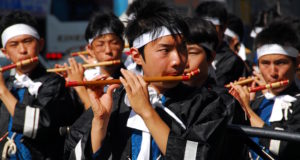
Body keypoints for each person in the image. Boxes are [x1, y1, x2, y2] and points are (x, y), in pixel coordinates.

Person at [65, 0, 227, 159]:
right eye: (165, 50)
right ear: (136, 56)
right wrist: (100, 121)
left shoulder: (206, 103)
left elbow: (197, 156)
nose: (178, 60)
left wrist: (147, 112)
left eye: (182, 47)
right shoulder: (116, 99)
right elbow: (71, 153)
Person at [0, 11, 82, 159]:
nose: (22, 50)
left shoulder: (54, 83)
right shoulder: (7, 86)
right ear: (5, 52)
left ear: (41, 44)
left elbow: (39, 125)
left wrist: (3, 93)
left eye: (27, 41)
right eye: (14, 44)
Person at [229, 21, 300, 159]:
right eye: (265, 63)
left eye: (281, 63)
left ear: (297, 62)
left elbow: (285, 147)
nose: (273, 72)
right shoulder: (256, 101)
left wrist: (248, 111)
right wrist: (238, 107)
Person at [184, 16, 248, 160]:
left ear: (211, 57)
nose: (183, 62)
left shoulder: (224, 102)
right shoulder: (163, 95)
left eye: (192, 53)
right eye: (179, 52)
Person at [195, 1, 250, 87]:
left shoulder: (232, 61)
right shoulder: (187, 54)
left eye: (212, 27)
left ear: (223, 28)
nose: (207, 31)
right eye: (202, 26)